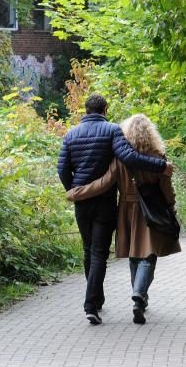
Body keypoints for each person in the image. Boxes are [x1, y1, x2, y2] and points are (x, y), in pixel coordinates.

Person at [58, 95, 173, 325]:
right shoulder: (112, 131)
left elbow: (63, 168)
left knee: (90, 250)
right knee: (104, 252)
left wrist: (74, 189)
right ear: (105, 109)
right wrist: (162, 167)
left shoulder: (70, 134)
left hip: (94, 203)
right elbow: (131, 159)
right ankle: (105, 301)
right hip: (114, 203)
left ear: (85, 109)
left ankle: (96, 301)